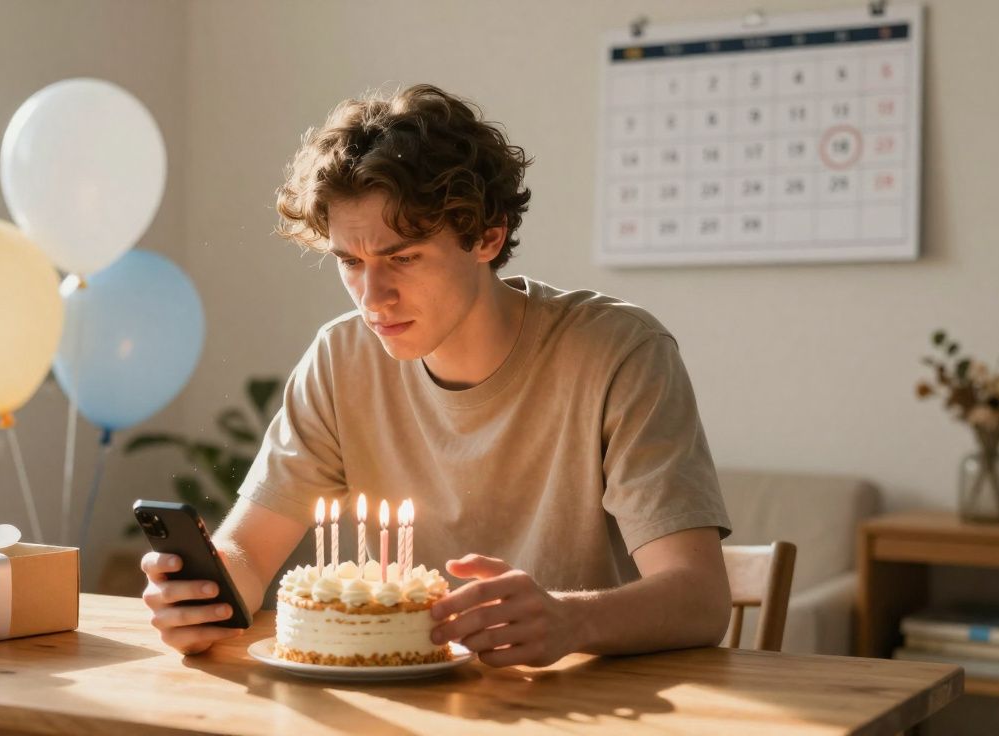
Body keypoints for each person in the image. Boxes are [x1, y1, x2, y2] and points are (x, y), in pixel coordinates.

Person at [142, 84, 733, 666]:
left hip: (591, 705)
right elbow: (247, 550)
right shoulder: (340, 357)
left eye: (402, 257)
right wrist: (200, 598)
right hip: (402, 704)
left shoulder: (620, 351)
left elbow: (699, 599)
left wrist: (570, 619)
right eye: (351, 262)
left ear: (487, 236)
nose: (373, 297)